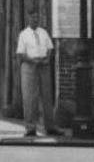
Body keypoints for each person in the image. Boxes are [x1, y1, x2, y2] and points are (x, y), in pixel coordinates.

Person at [16, 8, 63, 138]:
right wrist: (32, 60)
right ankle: (30, 128)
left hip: (44, 66)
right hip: (29, 67)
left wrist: (47, 58)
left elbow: (50, 48)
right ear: (28, 19)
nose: (35, 20)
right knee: (30, 97)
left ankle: (50, 127)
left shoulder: (43, 32)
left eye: (37, 17)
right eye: (33, 17)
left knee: (47, 96)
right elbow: (20, 54)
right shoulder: (23, 34)